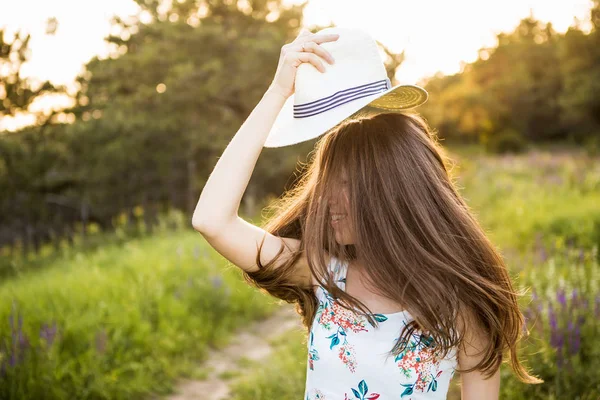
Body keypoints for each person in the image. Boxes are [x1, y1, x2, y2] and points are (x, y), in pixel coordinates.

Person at [192, 27, 542, 399]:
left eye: (345, 185)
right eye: (328, 185)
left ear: (392, 193)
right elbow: (212, 220)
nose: (328, 200)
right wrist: (278, 91)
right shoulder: (322, 271)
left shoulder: (462, 304)